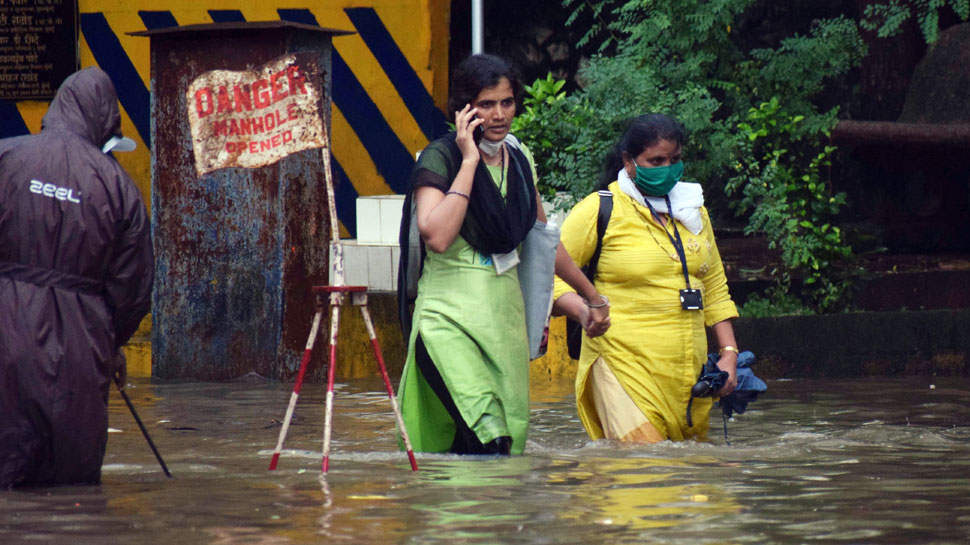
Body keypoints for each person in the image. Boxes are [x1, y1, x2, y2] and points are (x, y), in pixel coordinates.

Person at [396, 54, 610, 455]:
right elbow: (437, 236)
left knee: (504, 451)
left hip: (503, 324)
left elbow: (543, 241)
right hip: (448, 322)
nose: (498, 114)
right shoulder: (440, 158)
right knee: (487, 435)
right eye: (486, 104)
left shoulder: (520, 160)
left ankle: (482, 520)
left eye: (506, 102)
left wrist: (590, 299)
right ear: (464, 108)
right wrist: (471, 161)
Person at [0, 67, 153, 487]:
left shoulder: (6, 158)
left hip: (5, 333)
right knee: (72, 481)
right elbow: (133, 289)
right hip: (82, 350)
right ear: (104, 119)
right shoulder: (118, 186)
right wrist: (110, 343)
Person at [552, 113, 740, 443]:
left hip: (686, 373)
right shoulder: (600, 209)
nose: (668, 168)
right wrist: (584, 310)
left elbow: (714, 288)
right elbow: (547, 270)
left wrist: (729, 353)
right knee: (643, 471)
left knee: (689, 482)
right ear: (629, 161)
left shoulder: (694, 212)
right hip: (621, 363)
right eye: (656, 161)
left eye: (675, 159)